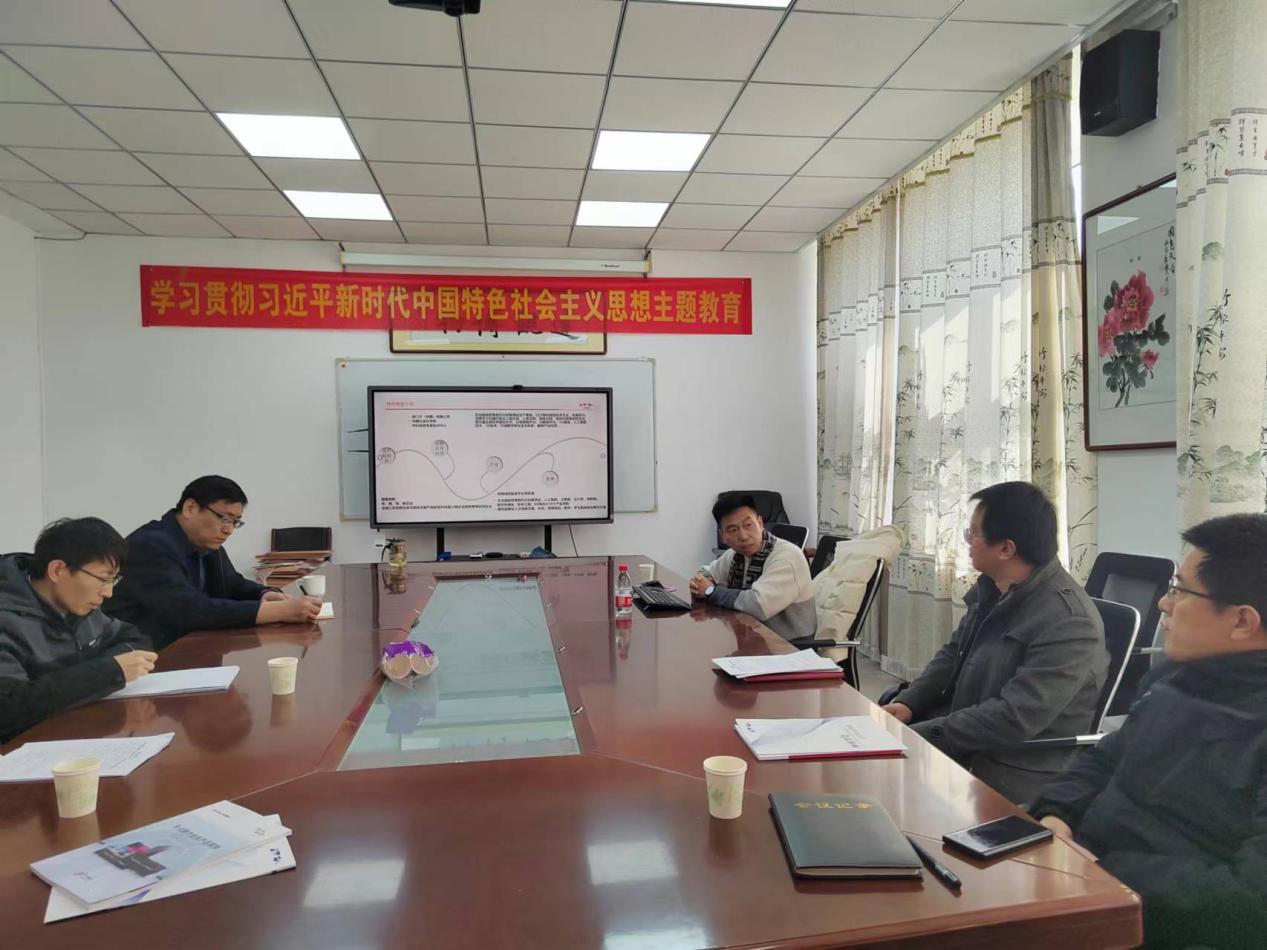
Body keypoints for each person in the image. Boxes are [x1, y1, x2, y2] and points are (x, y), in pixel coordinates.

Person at [1031, 514, 1267, 949]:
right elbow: (1105, 758)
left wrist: (1104, 869)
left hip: (1155, 923)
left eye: (1180, 590)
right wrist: (1056, 814)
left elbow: (1251, 901)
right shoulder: (1172, 677)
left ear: (1241, 622)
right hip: (1081, 882)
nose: (1163, 603)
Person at [880, 481, 1106, 804]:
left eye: (973, 533)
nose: (967, 542)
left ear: (1006, 549)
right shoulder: (994, 586)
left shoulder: (1069, 622)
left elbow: (1014, 716)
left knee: (884, 790)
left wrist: (922, 735)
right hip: (968, 738)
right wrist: (909, 703)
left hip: (1013, 766)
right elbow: (953, 655)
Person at [106, 475, 320, 649]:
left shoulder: (205, 542)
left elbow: (232, 583)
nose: (228, 530)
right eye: (224, 518)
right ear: (190, 508)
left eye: (236, 522)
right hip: (144, 657)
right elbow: (189, 610)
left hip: (187, 647)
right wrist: (280, 611)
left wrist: (264, 594)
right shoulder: (149, 545)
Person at [0, 517, 156, 743]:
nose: (108, 593)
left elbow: (134, 638)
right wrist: (106, 673)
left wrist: (106, 671)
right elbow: (9, 708)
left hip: (76, 730)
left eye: (113, 580)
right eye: (103, 579)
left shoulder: (76, 606)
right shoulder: (7, 618)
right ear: (57, 570)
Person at [690, 494, 817, 642]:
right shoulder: (735, 555)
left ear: (760, 523)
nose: (743, 536)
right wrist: (702, 582)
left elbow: (758, 606)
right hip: (754, 639)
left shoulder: (787, 557)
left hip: (789, 646)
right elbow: (706, 572)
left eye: (748, 525)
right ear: (723, 535)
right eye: (733, 530)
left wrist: (710, 591)